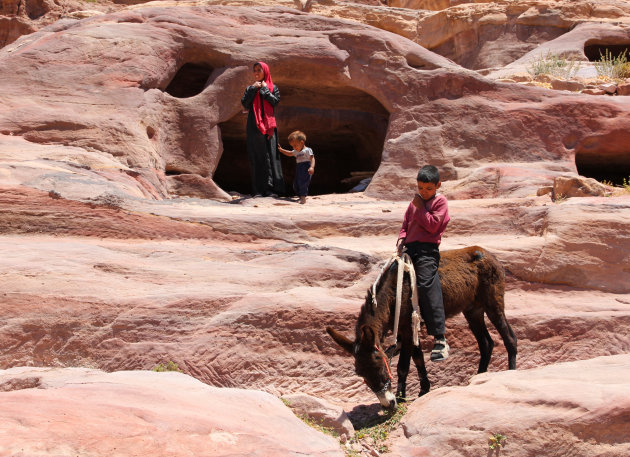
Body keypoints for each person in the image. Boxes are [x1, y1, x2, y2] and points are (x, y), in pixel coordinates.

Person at [396, 165, 451, 361]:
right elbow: (406, 224)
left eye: (428, 188)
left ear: (438, 185)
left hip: (427, 251)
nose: (424, 192)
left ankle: (440, 337)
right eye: (420, 188)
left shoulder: (440, 202)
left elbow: (432, 226)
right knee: (392, 283)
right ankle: (398, 336)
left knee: (426, 284)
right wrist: (402, 238)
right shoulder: (415, 203)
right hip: (410, 249)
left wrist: (419, 207)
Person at [241, 61, 285, 197]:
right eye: (254, 70)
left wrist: (265, 90)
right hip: (254, 127)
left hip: (269, 127)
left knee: (271, 157)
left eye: (259, 70)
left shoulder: (272, 87)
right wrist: (254, 89)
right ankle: (259, 190)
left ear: (265, 71)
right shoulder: (250, 88)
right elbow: (245, 104)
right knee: (256, 157)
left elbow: (275, 101)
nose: (256, 73)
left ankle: (272, 190)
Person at [278, 130, 315, 204]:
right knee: (296, 184)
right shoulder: (296, 151)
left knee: (303, 183)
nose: (294, 147)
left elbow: (312, 158)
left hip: (306, 168)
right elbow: (289, 153)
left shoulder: (307, 150)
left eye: (295, 145)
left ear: (302, 142)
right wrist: (281, 150)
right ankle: (300, 196)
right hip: (299, 168)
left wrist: (312, 167)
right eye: (292, 146)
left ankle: (303, 198)